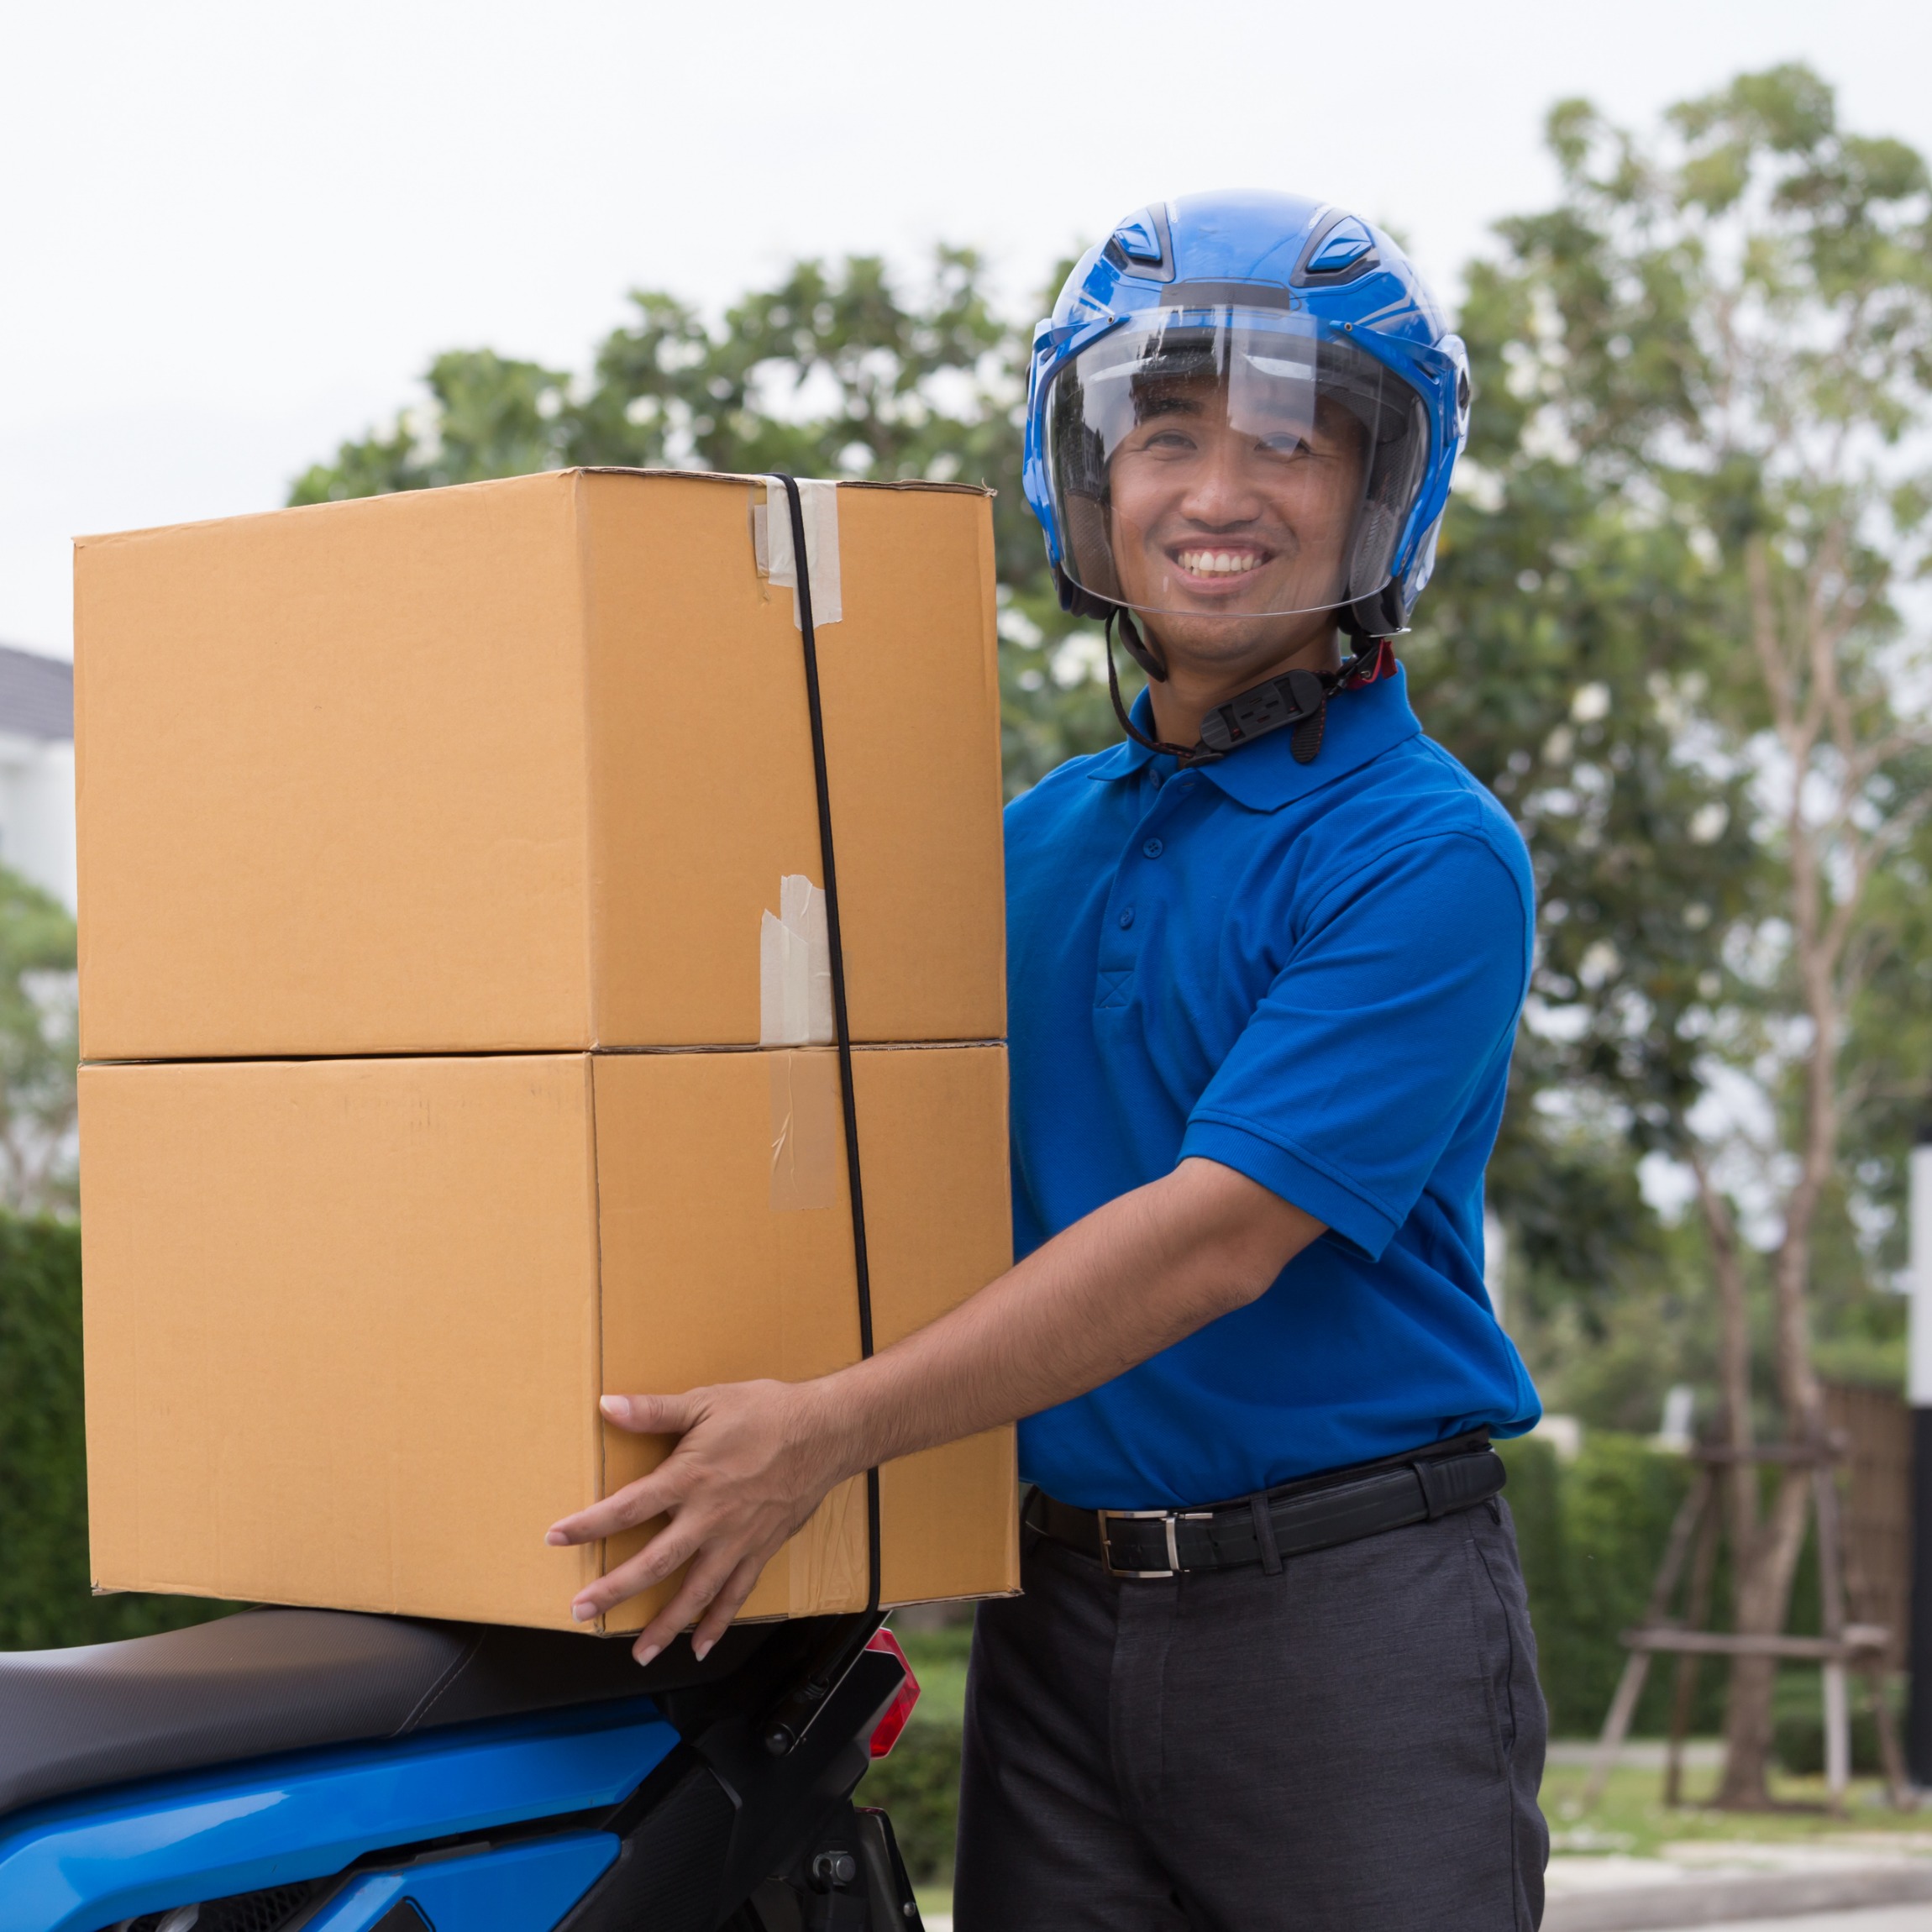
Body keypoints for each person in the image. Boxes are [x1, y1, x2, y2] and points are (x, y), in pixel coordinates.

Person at [548, 189, 1549, 1931]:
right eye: (1164, 433)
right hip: (1058, 1610)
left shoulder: (1424, 853)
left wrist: (827, 1433)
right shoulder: (1028, 842)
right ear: (1086, 476)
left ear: (1381, 493)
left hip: (1348, 1618)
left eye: (1287, 442)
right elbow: (842, 1157)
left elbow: (1216, 1235)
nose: (1217, 491)